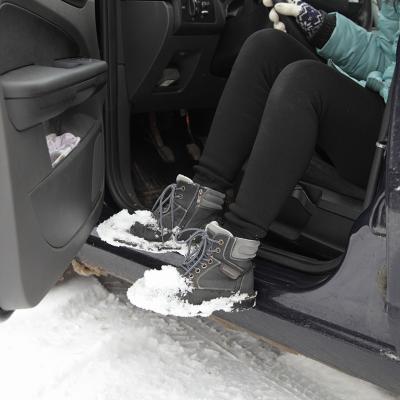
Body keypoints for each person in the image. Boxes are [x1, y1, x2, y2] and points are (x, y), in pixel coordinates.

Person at [130, 0, 399, 309]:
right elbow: (388, 54)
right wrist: (325, 29)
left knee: (304, 83)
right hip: (388, 108)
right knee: (266, 46)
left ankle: (232, 263)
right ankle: (195, 208)